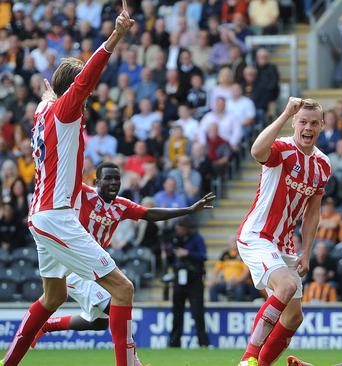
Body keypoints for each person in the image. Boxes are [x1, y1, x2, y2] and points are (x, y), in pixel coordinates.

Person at [2, 6, 136, 366]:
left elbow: (49, 97)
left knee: (53, 296)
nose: (88, 97)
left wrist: (48, 94)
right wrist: (116, 36)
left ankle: (8, 362)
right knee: (123, 289)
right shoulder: (64, 110)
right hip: (57, 216)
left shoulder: (44, 110)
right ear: (73, 90)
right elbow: (87, 76)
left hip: (41, 215)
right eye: (84, 92)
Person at [29, 162, 215, 348]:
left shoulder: (121, 206)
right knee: (115, 303)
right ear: (97, 181)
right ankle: (131, 358)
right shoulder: (84, 194)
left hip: (93, 267)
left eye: (116, 179)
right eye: (108, 178)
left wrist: (189, 209)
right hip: (75, 266)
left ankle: (45, 326)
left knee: (99, 322)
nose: (113, 182)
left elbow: (150, 213)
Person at [237, 97, 330, 366]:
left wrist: (306, 251)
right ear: (294, 123)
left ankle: (261, 364)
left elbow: (313, 212)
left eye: (314, 122)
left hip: (285, 244)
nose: (308, 127)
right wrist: (285, 113)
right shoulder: (282, 148)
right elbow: (256, 151)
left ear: (322, 125)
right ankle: (249, 359)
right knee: (287, 286)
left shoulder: (323, 165)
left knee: (293, 317)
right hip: (257, 235)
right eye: (302, 121)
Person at [167, 218, 209, 348]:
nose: (177, 231)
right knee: (177, 312)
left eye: (180, 228)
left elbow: (203, 256)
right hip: (179, 278)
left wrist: (187, 253)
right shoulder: (175, 239)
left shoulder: (196, 238)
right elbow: (171, 259)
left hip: (194, 279)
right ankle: (174, 343)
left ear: (185, 228)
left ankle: (203, 342)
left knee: (198, 312)